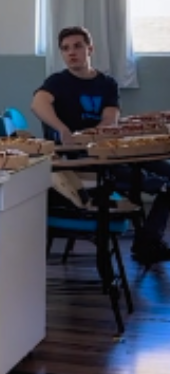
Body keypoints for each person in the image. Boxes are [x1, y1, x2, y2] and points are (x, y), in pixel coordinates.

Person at [32, 26, 170, 263]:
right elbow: (38, 104)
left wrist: (98, 134)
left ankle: (148, 240)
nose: (71, 52)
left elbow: (110, 119)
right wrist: (62, 129)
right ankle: (147, 244)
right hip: (83, 163)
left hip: (108, 152)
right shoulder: (58, 81)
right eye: (65, 48)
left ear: (90, 49)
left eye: (77, 46)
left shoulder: (107, 83)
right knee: (164, 186)